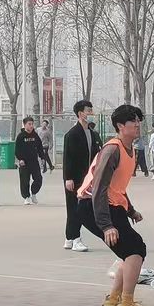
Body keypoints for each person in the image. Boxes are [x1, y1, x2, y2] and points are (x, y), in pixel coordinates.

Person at [77, 104, 151, 306]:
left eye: (139, 120)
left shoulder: (130, 150)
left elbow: (117, 186)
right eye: (133, 121)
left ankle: (114, 299)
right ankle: (126, 303)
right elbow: (98, 188)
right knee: (135, 250)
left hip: (111, 206)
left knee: (130, 251)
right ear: (120, 126)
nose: (137, 124)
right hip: (93, 206)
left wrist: (131, 210)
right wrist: (106, 225)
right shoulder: (112, 150)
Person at [62, 100, 100, 252]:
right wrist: (68, 178)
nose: (91, 113)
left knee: (78, 207)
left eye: (91, 110)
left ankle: (69, 238)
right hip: (75, 178)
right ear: (80, 113)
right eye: (88, 110)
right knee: (75, 207)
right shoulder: (72, 134)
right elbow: (67, 158)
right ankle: (76, 239)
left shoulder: (92, 133)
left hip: (87, 177)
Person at [15, 117, 46, 205]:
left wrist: (42, 157)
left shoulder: (35, 136)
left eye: (32, 124)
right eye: (29, 124)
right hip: (24, 162)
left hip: (34, 162)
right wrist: (20, 159)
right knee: (24, 181)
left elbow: (40, 147)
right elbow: (17, 150)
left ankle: (33, 193)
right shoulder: (21, 136)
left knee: (38, 179)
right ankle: (26, 197)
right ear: (25, 125)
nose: (31, 126)